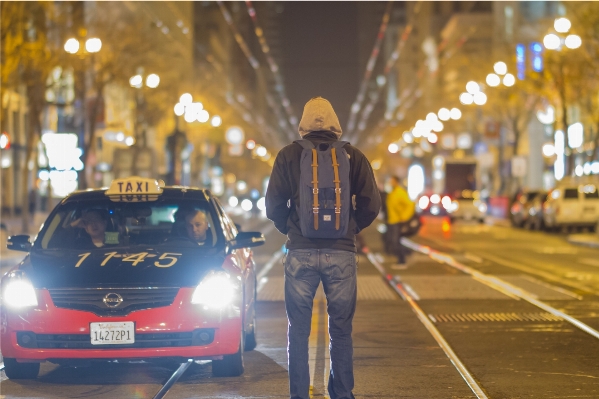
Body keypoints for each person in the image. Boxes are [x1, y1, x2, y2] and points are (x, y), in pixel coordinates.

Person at [266, 96, 380, 399]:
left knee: (299, 333)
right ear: (335, 124)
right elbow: (372, 203)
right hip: (341, 254)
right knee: (341, 331)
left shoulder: (288, 155)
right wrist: (349, 229)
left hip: (300, 253)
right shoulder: (353, 156)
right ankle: (342, 394)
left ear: (303, 124)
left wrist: (291, 229)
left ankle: (299, 396)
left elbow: (273, 204)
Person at [385, 176, 415, 266]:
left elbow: (410, 204)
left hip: (397, 222)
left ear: (396, 182)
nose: (390, 183)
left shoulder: (400, 192)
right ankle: (407, 253)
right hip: (391, 221)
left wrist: (404, 217)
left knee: (395, 242)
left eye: (392, 181)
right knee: (391, 241)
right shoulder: (392, 192)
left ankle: (402, 260)